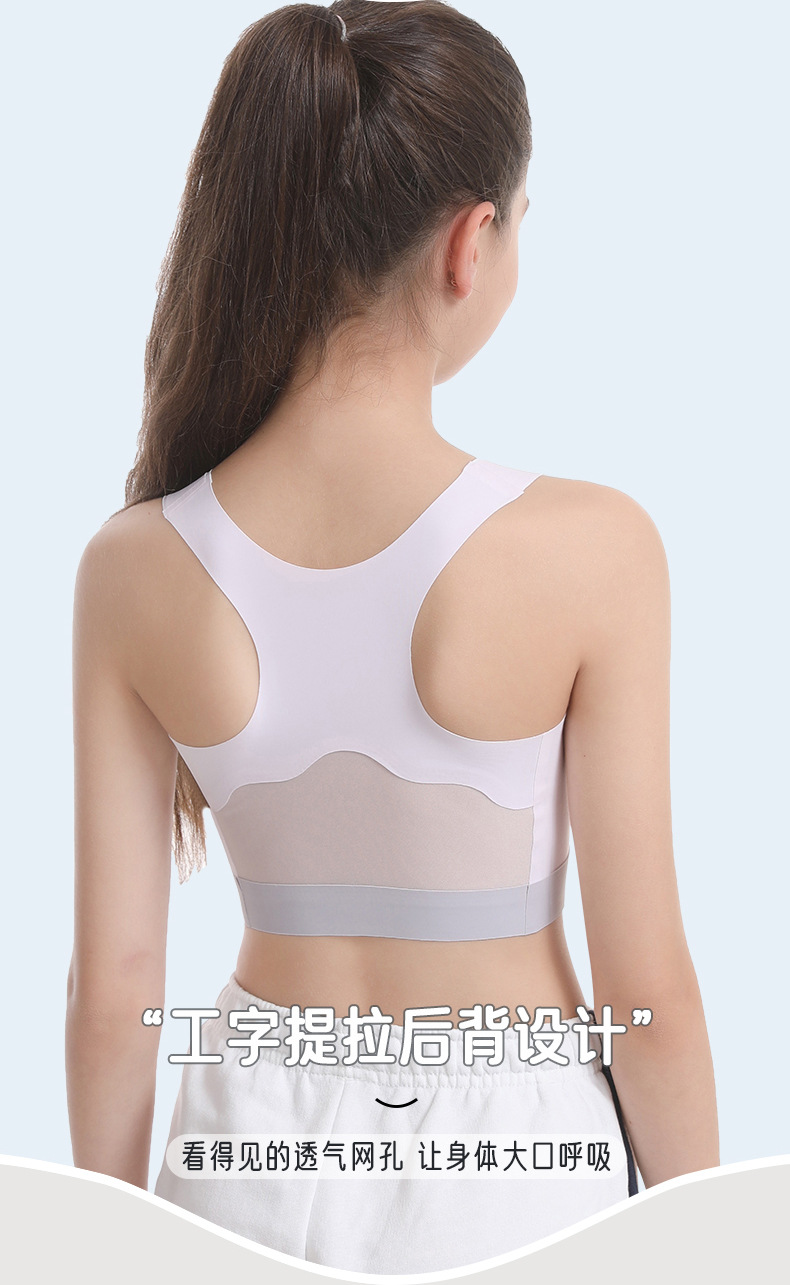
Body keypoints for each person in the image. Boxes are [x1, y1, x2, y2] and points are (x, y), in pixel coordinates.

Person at [66, 0, 719, 1273]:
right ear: (471, 244)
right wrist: (707, 1241)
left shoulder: (133, 564)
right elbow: (648, 988)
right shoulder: (592, 549)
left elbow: (115, 985)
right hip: (515, 1164)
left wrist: (106, 1244)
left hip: (244, 1149)